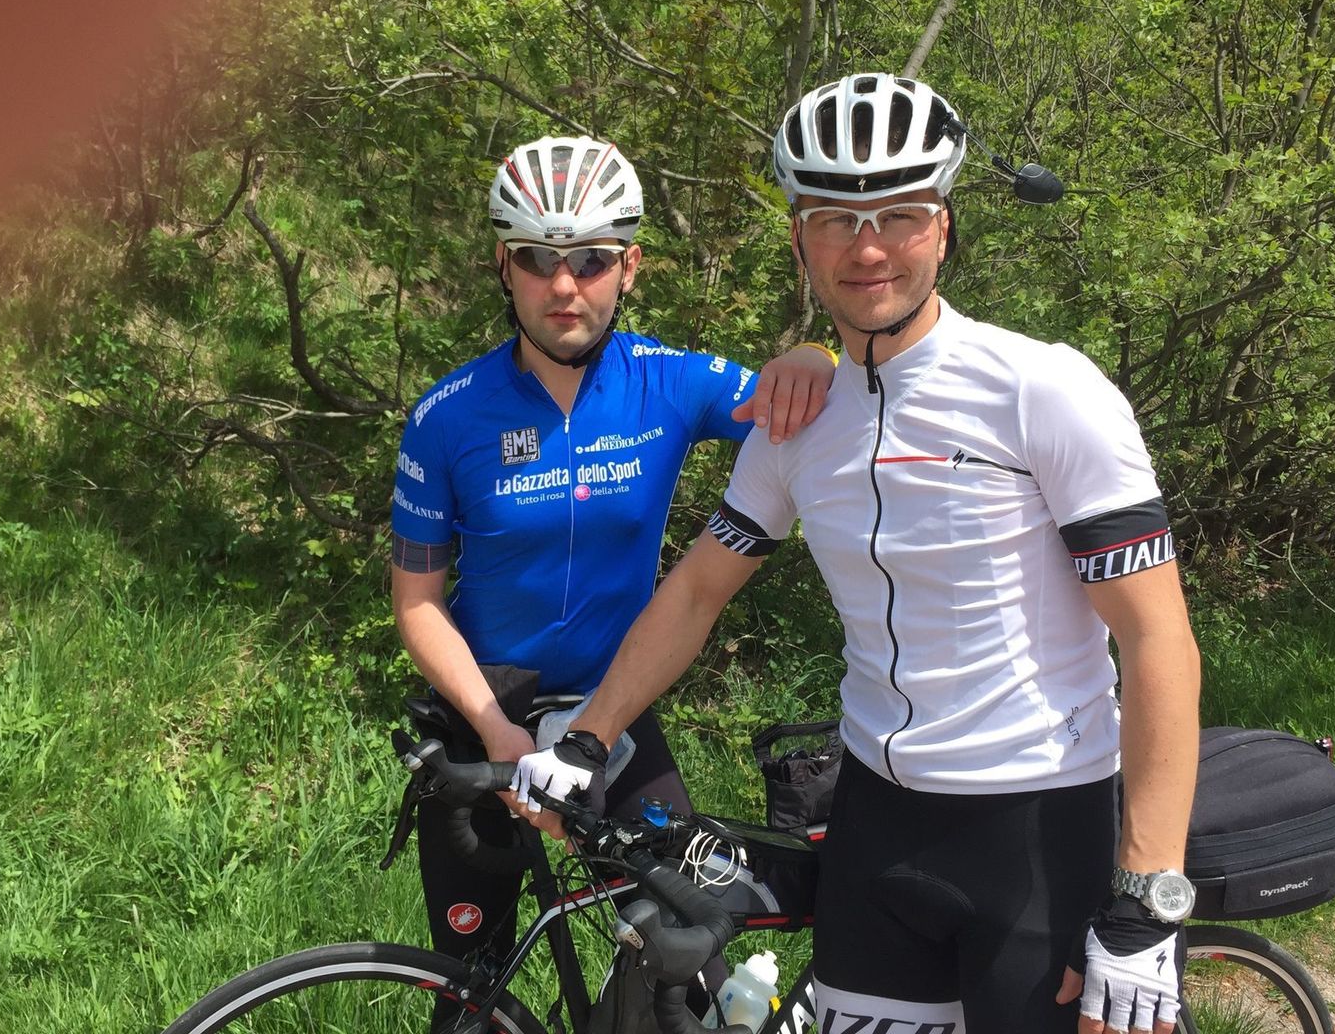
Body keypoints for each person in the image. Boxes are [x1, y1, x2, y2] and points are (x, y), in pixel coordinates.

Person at [511, 76, 1203, 1034]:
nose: (868, 248)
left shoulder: (1042, 389)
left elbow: (1158, 639)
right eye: (836, 220)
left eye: (900, 216)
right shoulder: (797, 421)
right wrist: (587, 740)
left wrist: (1148, 897)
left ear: (944, 228)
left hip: (1039, 826)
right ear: (800, 241)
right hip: (876, 824)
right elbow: (699, 591)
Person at [389, 134, 837, 971]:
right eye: (537, 259)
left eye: (591, 260)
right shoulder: (446, 416)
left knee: (684, 962)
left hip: (613, 717)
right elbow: (416, 601)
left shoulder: (670, 382)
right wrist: (494, 729)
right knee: (469, 989)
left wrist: (813, 356)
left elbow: (801, 403)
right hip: (481, 717)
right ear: (504, 265)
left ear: (630, 266)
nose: (564, 286)